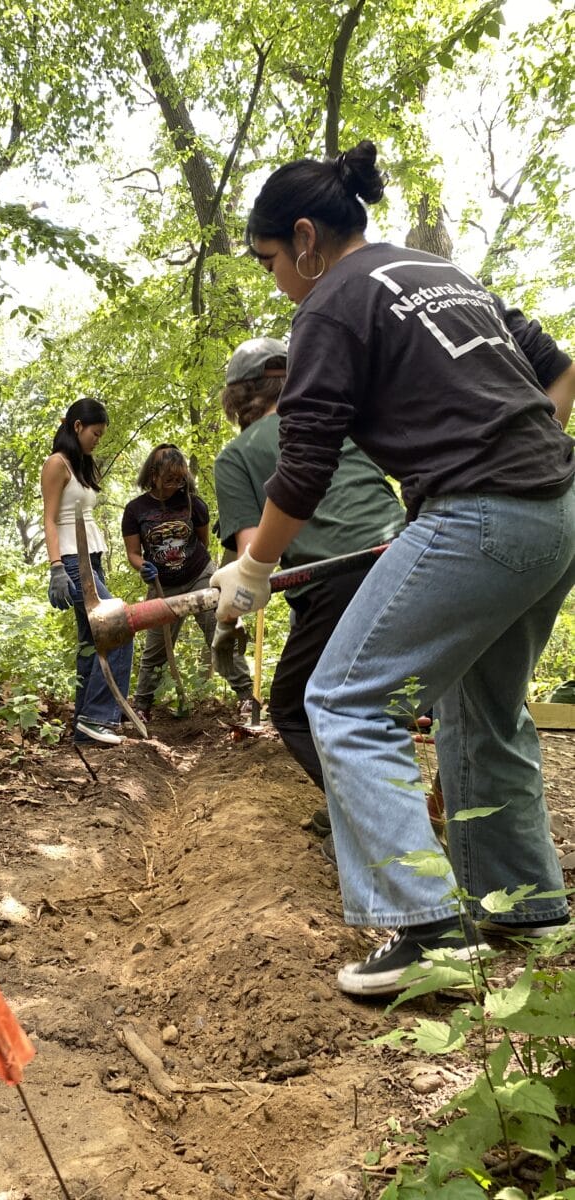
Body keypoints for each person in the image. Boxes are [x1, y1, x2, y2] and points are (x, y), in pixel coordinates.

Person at [210, 139, 575, 997]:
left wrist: (254, 568)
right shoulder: (436, 271)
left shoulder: (330, 302)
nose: (276, 280)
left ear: (305, 238)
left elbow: (304, 461)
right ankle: (528, 910)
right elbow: (559, 372)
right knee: (483, 712)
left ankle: (427, 929)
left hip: (479, 512)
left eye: (270, 260)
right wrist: (528, 457)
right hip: (558, 509)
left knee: (340, 699)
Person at [215, 337, 405, 853]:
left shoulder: (237, 455)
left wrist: (226, 616)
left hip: (336, 578)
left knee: (294, 705)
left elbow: (255, 558)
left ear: (238, 397)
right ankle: (370, 801)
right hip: (412, 555)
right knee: (376, 699)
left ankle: (372, 822)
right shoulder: (337, 425)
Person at [121, 443, 253, 723]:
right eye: (169, 478)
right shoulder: (135, 510)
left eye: (180, 478)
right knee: (155, 647)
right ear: (153, 474)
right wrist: (142, 566)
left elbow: (202, 543)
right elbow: (133, 552)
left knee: (220, 632)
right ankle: (142, 706)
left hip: (199, 576)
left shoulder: (194, 504)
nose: (175, 485)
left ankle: (246, 698)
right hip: (161, 587)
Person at [41, 398, 133, 746]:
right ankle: (98, 717)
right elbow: (50, 520)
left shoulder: (82, 465)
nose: (98, 439)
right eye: (95, 432)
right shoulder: (56, 464)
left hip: (90, 559)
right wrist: (55, 569)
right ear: (77, 426)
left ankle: (84, 726)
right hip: (71, 563)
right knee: (119, 627)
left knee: (91, 643)